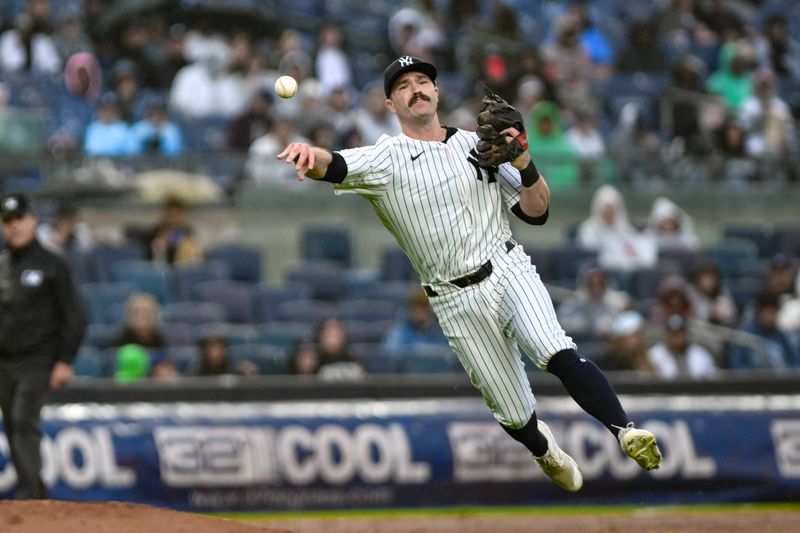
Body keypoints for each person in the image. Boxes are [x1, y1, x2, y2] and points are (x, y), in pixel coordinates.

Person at [276, 55, 662, 493]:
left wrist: (525, 161)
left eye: (423, 81)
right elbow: (337, 165)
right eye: (403, 86)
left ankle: (624, 430)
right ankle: (543, 450)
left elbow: (537, 212)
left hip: (507, 266)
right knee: (514, 412)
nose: (416, 89)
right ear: (389, 104)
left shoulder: (480, 146)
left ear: (437, 93)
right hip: (453, 299)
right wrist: (312, 153)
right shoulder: (386, 158)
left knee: (553, 348)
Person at [0, 193, 87, 498]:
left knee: (24, 417)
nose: (14, 226)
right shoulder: (1, 265)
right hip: (4, 362)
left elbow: (75, 316)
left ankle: (31, 493)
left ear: (33, 220)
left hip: (39, 359)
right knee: (12, 423)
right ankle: (35, 491)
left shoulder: (53, 264)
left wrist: (65, 360)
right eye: (8, 221)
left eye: (19, 219)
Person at [577, 185, 657, 273]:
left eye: (612, 209)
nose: (609, 212)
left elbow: (631, 245)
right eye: (607, 209)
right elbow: (590, 249)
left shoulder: (623, 226)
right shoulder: (588, 228)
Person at [647, 313, 717, 380]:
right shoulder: (654, 354)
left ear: (686, 334)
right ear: (666, 334)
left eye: (679, 333)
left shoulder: (701, 355)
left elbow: (711, 380)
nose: (675, 338)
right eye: (672, 334)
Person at [381, 289, 449, 355]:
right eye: (416, 307)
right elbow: (390, 356)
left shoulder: (443, 334)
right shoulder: (397, 334)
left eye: (424, 306)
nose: (419, 311)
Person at [144, 196, 202, 265]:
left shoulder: (188, 232)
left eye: (176, 215)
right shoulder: (155, 232)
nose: (173, 219)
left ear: (182, 215)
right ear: (164, 215)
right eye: (170, 215)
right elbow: (148, 257)